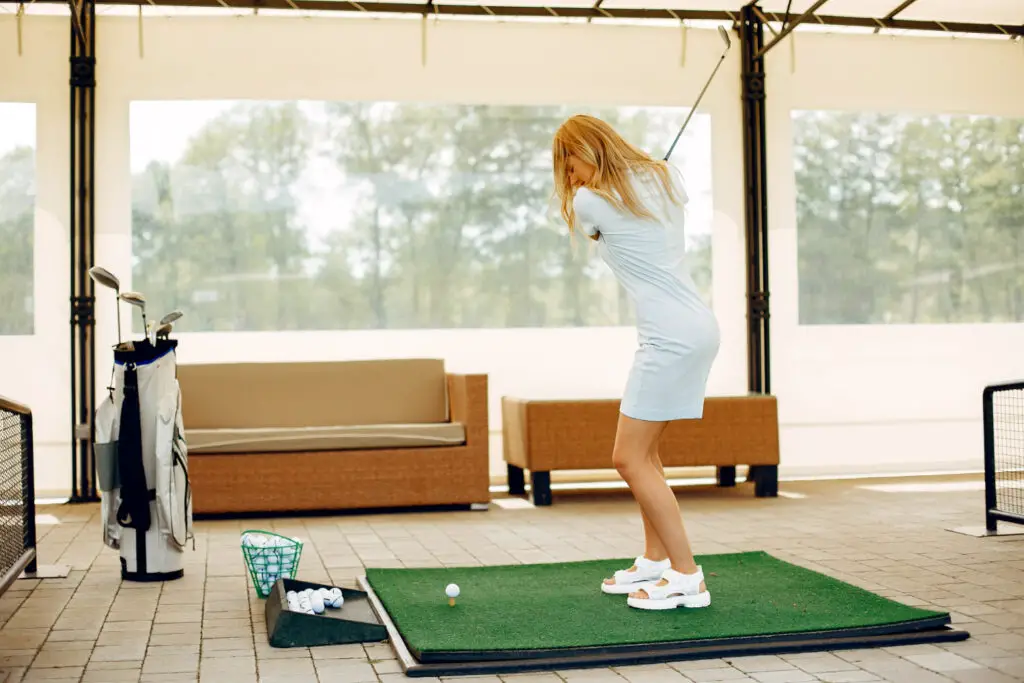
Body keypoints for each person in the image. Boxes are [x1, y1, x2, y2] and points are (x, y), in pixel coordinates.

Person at [551, 114, 721, 611]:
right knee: (646, 456)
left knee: (627, 458)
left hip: (668, 337)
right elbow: (656, 203)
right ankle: (654, 560)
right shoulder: (666, 177)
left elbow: (599, 231)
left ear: (588, 149)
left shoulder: (590, 201)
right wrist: (647, 172)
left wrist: (613, 185)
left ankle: (687, 575)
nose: (571, 178)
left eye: (570, 163)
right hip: (694, 327)